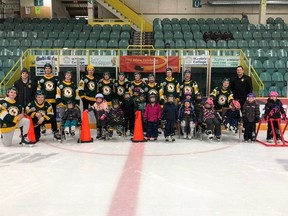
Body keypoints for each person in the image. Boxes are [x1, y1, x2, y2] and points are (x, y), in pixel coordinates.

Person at [37, 63, 59, 135]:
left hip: (53, 100)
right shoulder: (41, 79)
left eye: (49, 68)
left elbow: (57, 90)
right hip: (43, 101)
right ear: (44, 69)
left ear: (51, 69)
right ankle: (42, 127)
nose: (47, 70)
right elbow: (38, 90)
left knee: (53, 115)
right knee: (42, 114)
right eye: (46, 68)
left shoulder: (55, 79)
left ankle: (54, 129)